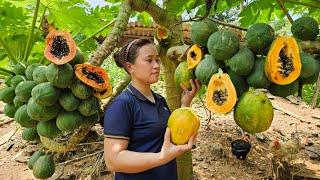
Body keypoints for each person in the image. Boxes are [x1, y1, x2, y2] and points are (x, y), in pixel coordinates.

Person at [103, 38, 201, 180]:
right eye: (149, 60)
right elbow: (113, 161)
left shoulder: (160, 100)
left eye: (157, 60)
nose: (156, 65)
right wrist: (161, 158)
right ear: (130, 67)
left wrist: (185, 104)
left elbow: (172, 137)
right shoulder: (122, 104)